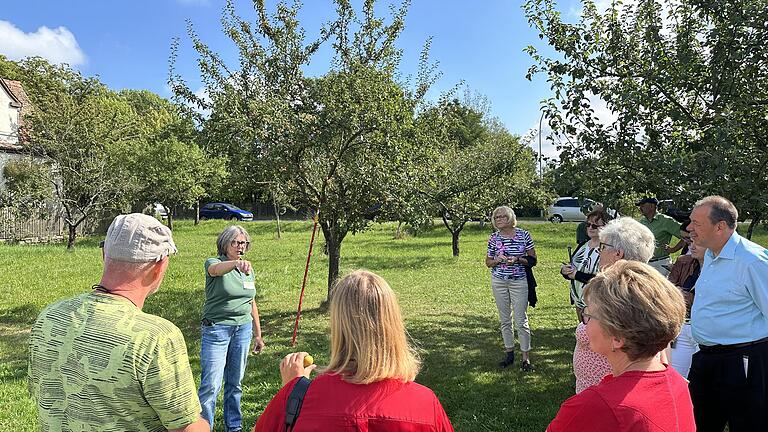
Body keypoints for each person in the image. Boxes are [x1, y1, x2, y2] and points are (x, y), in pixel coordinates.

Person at [28, 213, 209, 432]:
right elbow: (186, 428)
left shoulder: (49, 317)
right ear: (160, 265)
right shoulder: (156, 337)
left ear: (104, 254)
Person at [253, 270, 454, 431]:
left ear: (338, 326)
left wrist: (292, 393)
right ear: (393, 325)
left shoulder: (301, 397)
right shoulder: (426, 405)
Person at [548, 260, 695, 431]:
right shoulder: (676, 383)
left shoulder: (595, 405)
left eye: (588, 314)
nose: (584, 323)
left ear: (617, 337)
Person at [687, 196, 768, 431]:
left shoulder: (752, 261)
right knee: (697, 424)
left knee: (748, 425)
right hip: (706, 357)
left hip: (742, 361)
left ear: (720, 226)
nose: (689, 228)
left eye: (696, 223)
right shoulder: (711, 255)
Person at [572, 216, 655, 393]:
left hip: (610, 390)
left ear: (618, 253)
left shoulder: (620, 292)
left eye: (603, 247)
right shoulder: (626, 286)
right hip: (595, 387)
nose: (599, 251)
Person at [199, 225, 264, 432]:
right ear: (225, 243)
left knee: (235, 384)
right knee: (211, 385)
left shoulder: (247, 269)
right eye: (235, 242)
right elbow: (215, 271)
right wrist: (236, 264)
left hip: (242, 330)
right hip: (217, 330)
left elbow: (251, 301)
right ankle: (204, 426)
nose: (240, 246)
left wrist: (258, 334)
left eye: (243, 243)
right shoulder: (214, 262)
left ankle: (233, 427)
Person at [485, 205, 537, 371]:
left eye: (502, 217)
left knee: (521, 320)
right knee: (505, 319)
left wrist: (518, 259)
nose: (499, 219)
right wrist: (497, 260)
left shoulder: (523, 235)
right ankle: (509, 353)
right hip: (499, 281)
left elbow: (533, 259)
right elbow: (488, 262)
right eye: (497, 217)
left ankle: (525, 357)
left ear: (510, 218)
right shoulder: (494, 238)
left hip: (519, 281)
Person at [561, 210, 608, 322]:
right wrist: (565, 271)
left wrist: (577, 275)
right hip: (579, 298)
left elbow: (603, 278)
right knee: (582, 331)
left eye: (595, 225)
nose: (590, 228)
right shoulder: (583, 245)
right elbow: (573, 268)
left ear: (606, 227)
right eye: (588, 224)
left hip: (596, 300)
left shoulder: (607, 249)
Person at [667, 238, 702, 379]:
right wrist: (677, 293)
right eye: (690, 242)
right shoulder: (683, 261)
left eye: (697, 242)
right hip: (683, 325)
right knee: (676, 377)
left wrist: (693, 299)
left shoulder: (724, 268)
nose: (691, 246)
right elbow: (667, 289)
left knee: (700, 379)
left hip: (704, 330)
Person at [636, 197, 683, 276]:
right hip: (646, 263)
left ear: (652, 206)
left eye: (643, 205)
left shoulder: (666, 221)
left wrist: (673, 249)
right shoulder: (641, 222)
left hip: (661, 263)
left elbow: (687, 236)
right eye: (640, 206)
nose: (640, 208)